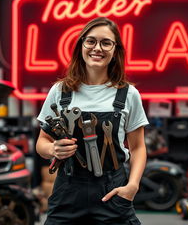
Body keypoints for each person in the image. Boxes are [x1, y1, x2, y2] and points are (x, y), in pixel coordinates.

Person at [36, 17, 149, 225]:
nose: (97, 48)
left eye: (106, 42)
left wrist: (132, 186)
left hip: (112, 190)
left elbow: (138, 147)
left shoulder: (128, 94)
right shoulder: (60, 91)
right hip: (67, 191)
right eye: (91, 41)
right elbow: (41, 143)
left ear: (115, 50)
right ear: (81, 45)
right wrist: (53, 149)